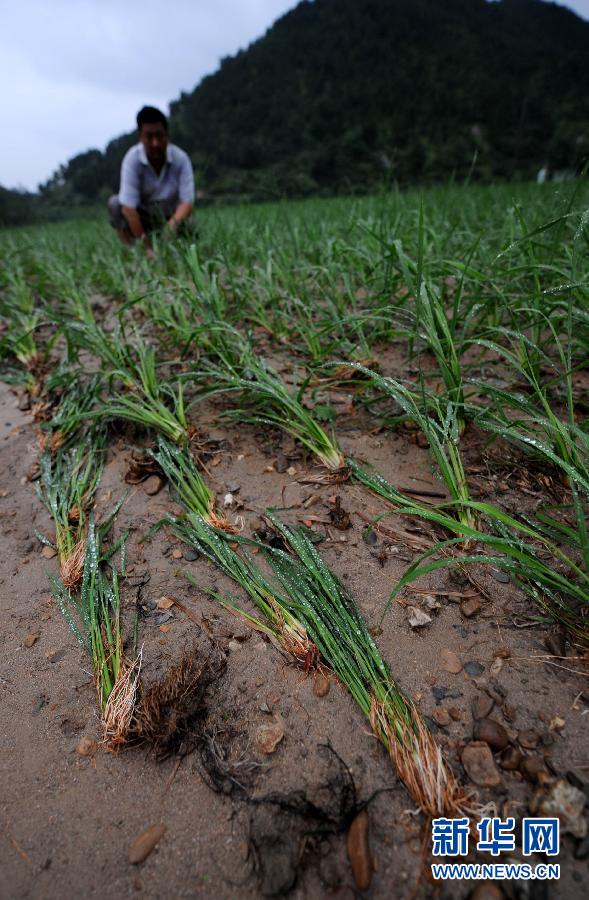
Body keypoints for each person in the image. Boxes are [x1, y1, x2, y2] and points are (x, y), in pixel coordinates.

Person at [108, 106, 194, 257]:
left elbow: (187, 202)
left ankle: (179, 249)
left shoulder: (181, 158)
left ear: (167, 135)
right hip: (144, 219)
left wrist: (171, 226)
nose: (155, 143)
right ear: (140, 137)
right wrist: (147, 247)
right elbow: (128, 208)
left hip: (170, 216)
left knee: (190, 224)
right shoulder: (132, 159)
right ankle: (133, 252)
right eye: (149, 137)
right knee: (115, 203)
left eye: (159, 136)